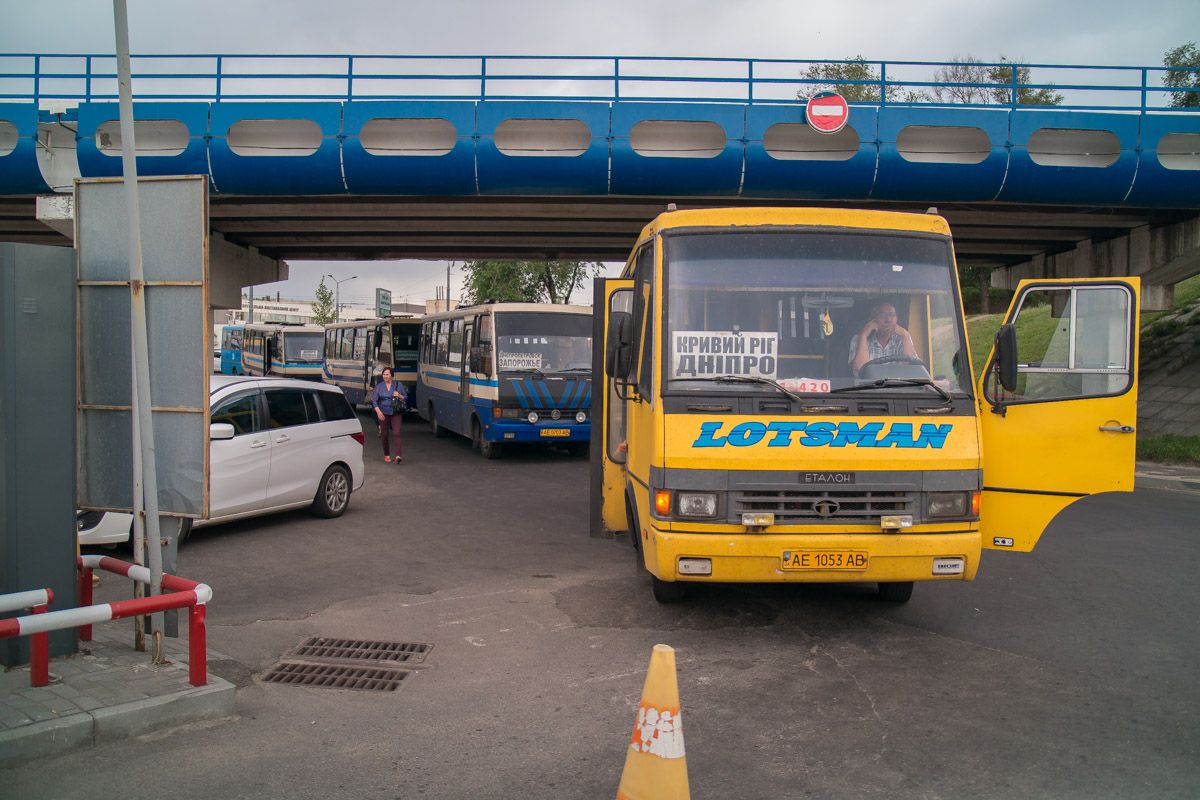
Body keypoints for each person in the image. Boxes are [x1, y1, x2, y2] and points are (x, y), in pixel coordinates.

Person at [848, 301, 917, 375]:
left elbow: (912, 370)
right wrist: (864, 334)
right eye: (883, 314)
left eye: (892, 314)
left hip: (898, 386)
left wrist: (906, 335)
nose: (888, 319)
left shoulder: (902, 340)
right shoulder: (858, 339)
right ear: (874, 319)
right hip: (868, 386)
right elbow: (859, 369)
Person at [371, 367, 406, 463]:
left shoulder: (398, 385)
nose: (385, 376)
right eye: (384, 374)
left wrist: (399, 395)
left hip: (396, 411)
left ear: (392, 375)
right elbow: (374, 401)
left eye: (387, 374)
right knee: (384, 434)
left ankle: (398, 455)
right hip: (383, 412)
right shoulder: (379, 386)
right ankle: (386, 454)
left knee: (397, 432)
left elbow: (405, 397)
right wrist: (378, 412)